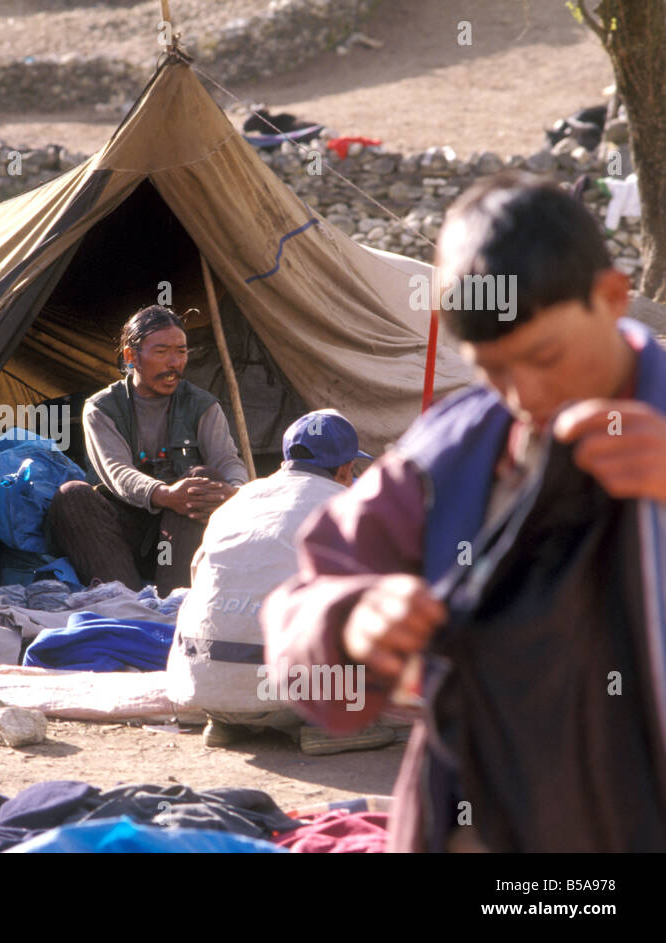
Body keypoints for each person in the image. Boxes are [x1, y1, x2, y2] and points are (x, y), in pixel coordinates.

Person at [262, 172, 666, 852]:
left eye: (546, 356)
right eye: (493, 369)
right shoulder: (449, 457)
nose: (526, 394)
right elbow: (302, 615)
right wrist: (351, 620)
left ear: (612, 297)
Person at [167, 410, 382, 751]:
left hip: (204, 687)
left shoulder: (242, 499)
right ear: (345, 469)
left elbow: (199, 576)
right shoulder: (349, 507)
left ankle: (226, 721)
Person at [47, 305, 247, 596]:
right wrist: (164, 495)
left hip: (181, 534)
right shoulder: (101, 408)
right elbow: (117, 472)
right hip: (123, 532)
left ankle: (173, 600)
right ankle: (127, 602)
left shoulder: (202, 405)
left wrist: (236, 492)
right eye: (162, 351)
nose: (174, 362)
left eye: (181, 351)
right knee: (71, 495)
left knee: (203, 479)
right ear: (131, 356)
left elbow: (228, 460)